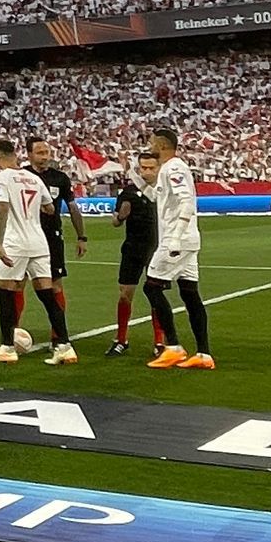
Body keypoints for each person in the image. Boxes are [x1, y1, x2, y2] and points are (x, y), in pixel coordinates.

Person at [0, 139, 74, 365]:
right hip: (39, 242)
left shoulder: (0, 178)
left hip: (16, 242)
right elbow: (50, 207)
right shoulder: (33, 178)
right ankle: (64, 346)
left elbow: (2, 208)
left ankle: (6, 347)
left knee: (5, 292)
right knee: (47, 294)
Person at [145, 128, 214, 370]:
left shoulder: (174, 167)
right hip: (187, 240)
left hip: (177, 241)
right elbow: (160, 199)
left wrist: (175, 237)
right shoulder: (170, 168)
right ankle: (204, 354)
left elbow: (186, 201)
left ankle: (173, 347)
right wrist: (137, 179)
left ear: (162, 145)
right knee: (189, 293)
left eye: (152, 141)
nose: (149, 144)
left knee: (152, 287)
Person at [109, 151, 165, 358]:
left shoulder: (163, 190)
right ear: (139, 168)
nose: (147, 172)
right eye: (144, 168)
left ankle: (159, 341)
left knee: (156, 296)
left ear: (158, 168)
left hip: (157, 249)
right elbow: (115, 221)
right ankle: (121, 339)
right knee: (125, 294)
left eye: (151, 168)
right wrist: (121, 217)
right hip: (132, 248)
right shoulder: (128, 192)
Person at [26, 140, 87, 322]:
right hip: (25, 235)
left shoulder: (60, 178)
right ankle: (12, 332)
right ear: (29, 155)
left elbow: (72, 207)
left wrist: (81, 237)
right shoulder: (22, 176)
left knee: (55, 284)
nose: (44, 157)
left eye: (46, 152)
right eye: (39, 153)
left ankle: (58, 334)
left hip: (51, 236)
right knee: (16, 283)